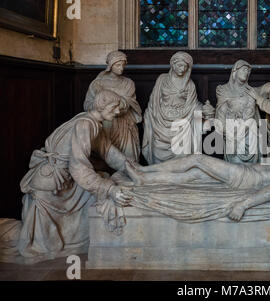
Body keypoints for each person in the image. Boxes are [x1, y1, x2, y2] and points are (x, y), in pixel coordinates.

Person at [4, 90, 133, 261]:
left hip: (64, 179)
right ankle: (82, 241)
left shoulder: (94, 123)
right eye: (114, 107)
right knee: (100, 191)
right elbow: (78, 167)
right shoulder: (85, 124)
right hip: (52, 185)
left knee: (100, 185)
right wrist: (109, 189)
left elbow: (108, 152)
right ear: (102, 105)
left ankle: (87, 239)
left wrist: (132, 168)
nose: (117, 112)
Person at [125, 154, 270, 222]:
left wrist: (243, 204)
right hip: (245, 170)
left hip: (247, 179)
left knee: (197, 159)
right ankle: (144, 179)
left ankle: (144, 169)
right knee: (193, 175)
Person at [142, 51, 204, 164]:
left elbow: (193, 104)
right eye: (180, 65)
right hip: (160, 120)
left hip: (182, 120)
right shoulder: (162, 79)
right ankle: (159, 174)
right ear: (173, 64)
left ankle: (180, 173)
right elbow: (154, 101)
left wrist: (202, 109)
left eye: (185, 66)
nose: (182, 69)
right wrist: (150, 114)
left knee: (182, 150)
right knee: (157, 149)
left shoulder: (190, 84)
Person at [84, 50, 142, 162]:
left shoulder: (128, 83)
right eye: (118, 65)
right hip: (103, 124)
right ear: (110, 65)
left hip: (123, 124)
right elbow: (88, 104)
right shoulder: (98, 83)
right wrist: (102, 106)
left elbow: (131, 102)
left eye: (123, 65)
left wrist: (122, 104)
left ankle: (129, 172)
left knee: (129, 158)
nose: (121, 68)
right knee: (103, 155)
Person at [215, 60, 260, 163]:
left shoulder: (250, 91)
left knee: (252, 169)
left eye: (248, 71)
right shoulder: (223, 90)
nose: (247, 73)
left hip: (249, 133)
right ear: (235, 71)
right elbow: (221, 112)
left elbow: (250, 112)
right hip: (231, 131)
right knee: (234, 167)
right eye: (244, 70)